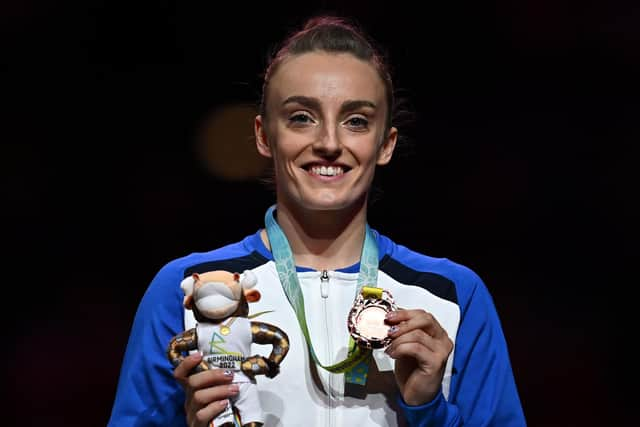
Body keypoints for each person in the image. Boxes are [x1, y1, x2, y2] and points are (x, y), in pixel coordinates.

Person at [108, 14, 526, 427]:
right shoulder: (189, 286)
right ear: (264, 136)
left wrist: (428, 409)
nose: (328, 142)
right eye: (301, 117)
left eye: (356, 121)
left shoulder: (452, 294)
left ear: (386, 144)